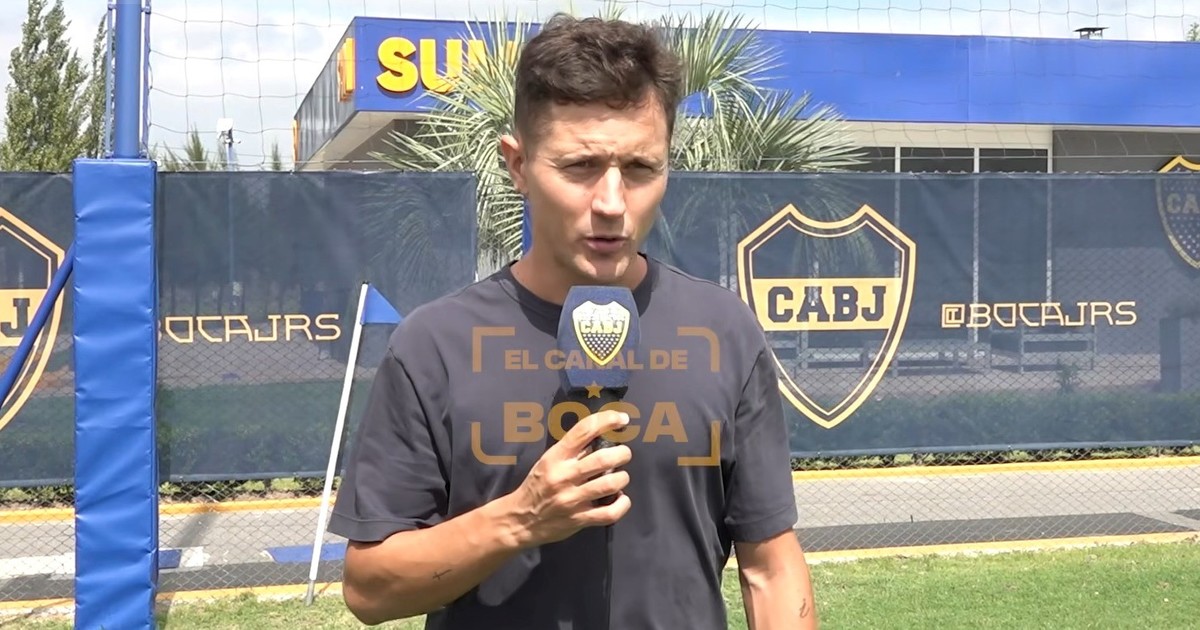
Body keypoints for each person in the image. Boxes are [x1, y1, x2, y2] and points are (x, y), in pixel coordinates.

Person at [327, 13, 817, 630]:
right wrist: (520, 518)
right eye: (580, 167)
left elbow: (769, 568)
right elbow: (370, 591)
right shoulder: (434, 347)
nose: (612, 203)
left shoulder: (725, 332)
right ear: (517, 165)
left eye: (640, 169)